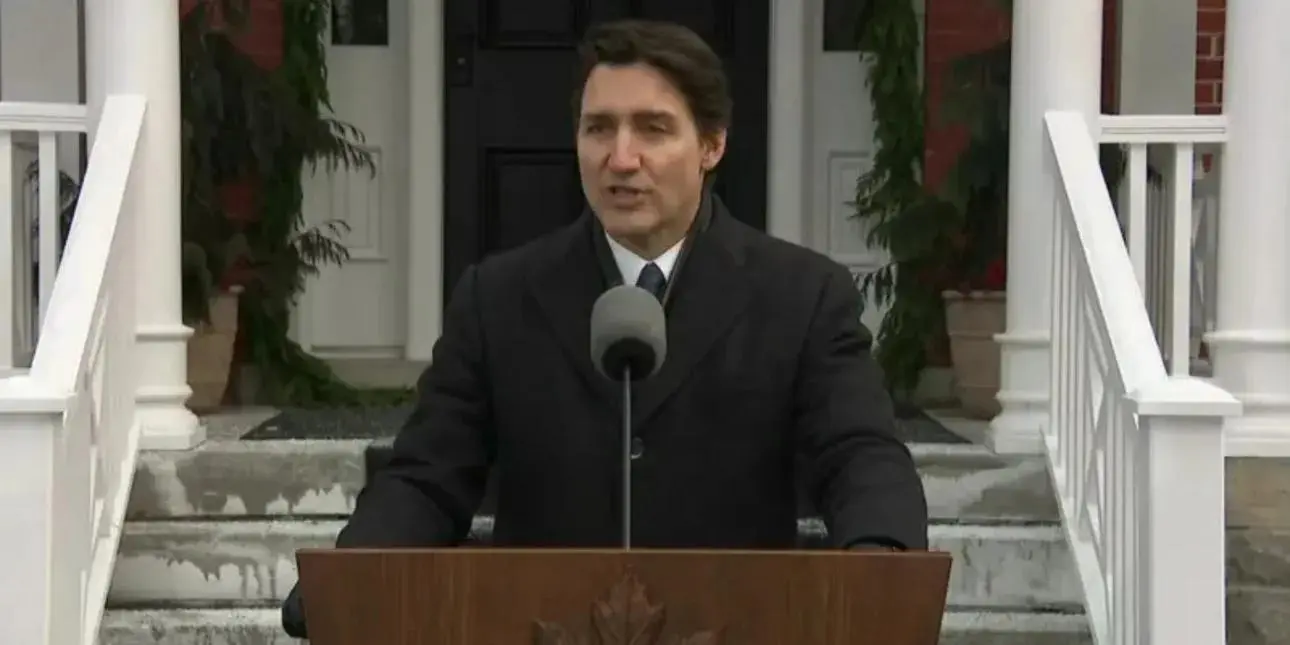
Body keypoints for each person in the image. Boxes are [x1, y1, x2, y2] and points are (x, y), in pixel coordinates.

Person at [282, 19, 927, 638]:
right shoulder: (499, 298)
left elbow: (859, 454)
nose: (622, 158)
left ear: (712, 145)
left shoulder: (802, 296)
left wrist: (881, 570)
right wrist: (350, 579)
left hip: (736, 626)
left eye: (653, 129)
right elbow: (428, 475)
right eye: (599, 129)